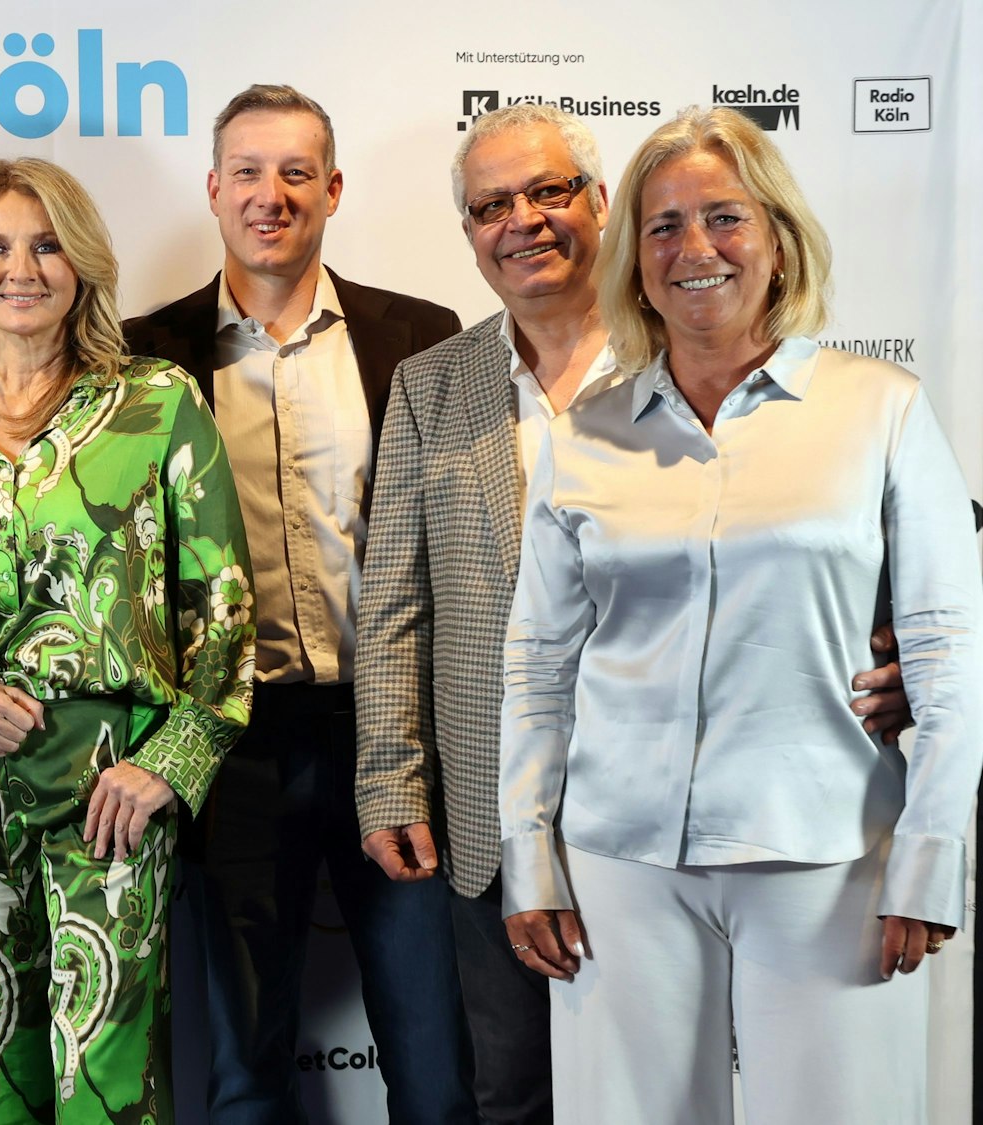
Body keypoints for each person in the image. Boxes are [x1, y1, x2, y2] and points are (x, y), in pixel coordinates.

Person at [350, 103, 919, 1123]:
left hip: (713, 817)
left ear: (600, 203)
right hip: (492, 813)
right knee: (511, 1091)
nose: (522, 221)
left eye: (548, 191)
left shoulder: (701, 348)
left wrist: (904, 660)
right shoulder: (431, 384)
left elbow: (839, 547)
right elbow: (392, 600)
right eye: (491, 205)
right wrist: (389, 777)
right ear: (468, 231)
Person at [498, 105, 982, 1123]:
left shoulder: (882, 409)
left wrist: (932, 857)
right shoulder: (584, 435)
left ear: (777, 241)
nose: (695, 248)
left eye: (724, 217)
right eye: (663, 226)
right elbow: (538, 665)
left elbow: (946, 651)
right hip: (617, 861)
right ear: (635, 263)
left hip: (829, 853)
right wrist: (528, 855)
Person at [0, 155, 255, 1122]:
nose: (22, 269)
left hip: (111, 791)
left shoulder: (158, 404)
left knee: (106, 1081)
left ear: (81, 262)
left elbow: (224, 612)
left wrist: (169, 765)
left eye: (46, 246)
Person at [120, 84, 473, 1123]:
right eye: (246, 172)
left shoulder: (420, 336)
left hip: (393, 734)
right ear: (212, 189)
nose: (268, 195)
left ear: (332, 188)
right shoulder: (144, 358)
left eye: (293, 173)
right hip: (232, 744)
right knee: (245, 1073)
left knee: (434, 1065)